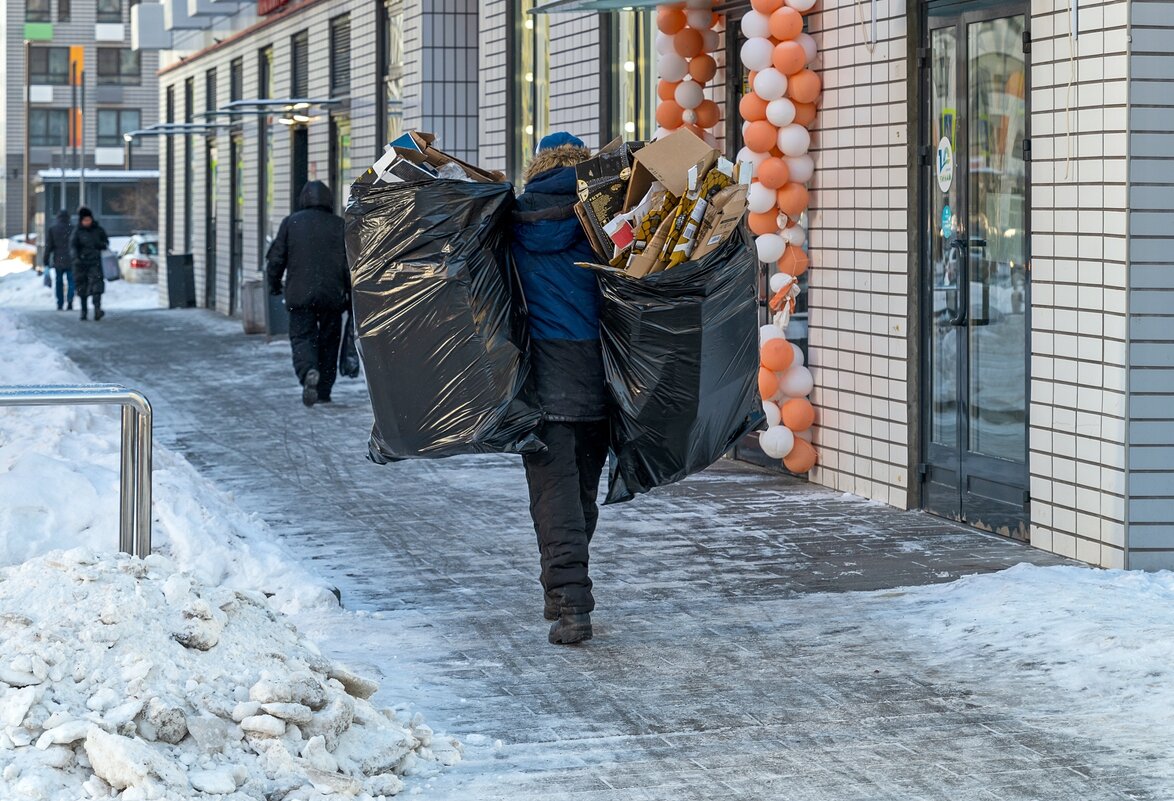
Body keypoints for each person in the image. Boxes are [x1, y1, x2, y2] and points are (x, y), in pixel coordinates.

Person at [511, 132, 608, 645]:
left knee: (553, 495)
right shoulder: (604, 217)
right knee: (581, 493)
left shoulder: (509, 221)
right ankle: (563, 592)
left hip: (542, 373)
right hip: (599, 372)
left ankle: (571, 603)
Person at [267, 180, 350, 407]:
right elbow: (349, 264)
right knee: (329, 342)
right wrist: (351, 295)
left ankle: (308, 371)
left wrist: (273, 284)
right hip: (332, 297)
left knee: (302, 337)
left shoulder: (291, 223)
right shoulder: (339, 225)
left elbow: (276, 258)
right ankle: (324, 390)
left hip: (300, 295)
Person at [69, 207, 109, 321]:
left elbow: (105, 242)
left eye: (88, 219)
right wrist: (76, 258)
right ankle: (84, 311)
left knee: (97, 286)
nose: (87, 222)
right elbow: (73, 246)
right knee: (82, 287)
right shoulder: (77, 232)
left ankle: (97, 309)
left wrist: (100, 244)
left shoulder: (98, 230)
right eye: (85, 220)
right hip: (81, 263)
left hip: (95, 262)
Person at [43, 209, 75, 311]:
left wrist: (46, 260)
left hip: (58, 260)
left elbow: (49, 247)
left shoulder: (53, 229)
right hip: (71, 259)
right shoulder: (73, 229)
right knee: (71, 281)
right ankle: (70, 301)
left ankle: (60, 303)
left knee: (59, 282)